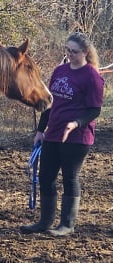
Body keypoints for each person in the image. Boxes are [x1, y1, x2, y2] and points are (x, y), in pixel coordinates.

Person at [20, 32, 104, 236]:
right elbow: (50, 102)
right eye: (67, 50)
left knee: (69, 178)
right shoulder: (59, 71)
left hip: (77, 137)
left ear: (85, 52)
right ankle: (44, 222)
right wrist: (41, 130)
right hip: (53, 133)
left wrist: (76, 123)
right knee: (46, 176)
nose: (70, 54)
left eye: (74, 52)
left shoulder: (92, 77)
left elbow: (95, 109)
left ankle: (67, 224)